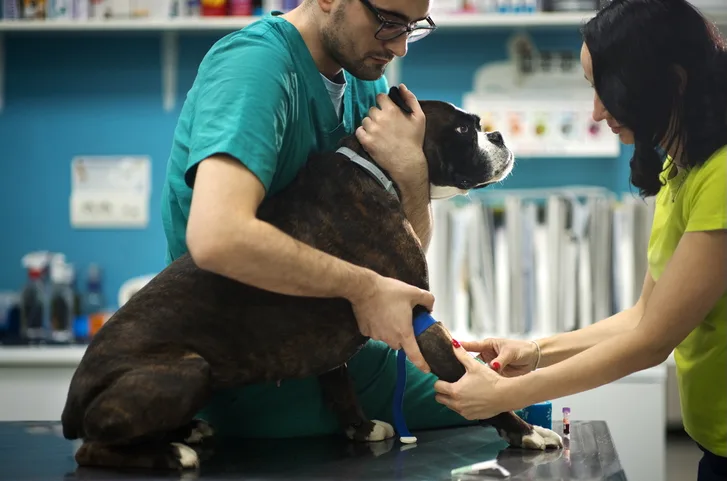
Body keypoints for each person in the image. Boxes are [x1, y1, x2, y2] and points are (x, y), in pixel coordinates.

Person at [432, 0, 727, 479]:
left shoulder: (722, 175)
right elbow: (642, 317)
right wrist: (536, 352)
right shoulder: (681, 168)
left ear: (672, 80)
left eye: (609, 90)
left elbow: (652, 341)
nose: (596, 111)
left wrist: (506, 396)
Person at [160, 0, 475, 438]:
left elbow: (402, 261)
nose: (400, 46)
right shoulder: (255, 68)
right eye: (388, 22)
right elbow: (217, 237)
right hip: (257, 370)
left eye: (413, 26)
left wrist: (411, 174)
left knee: (521, 399)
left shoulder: (366, 83)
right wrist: (363, 288)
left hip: (346, 359)